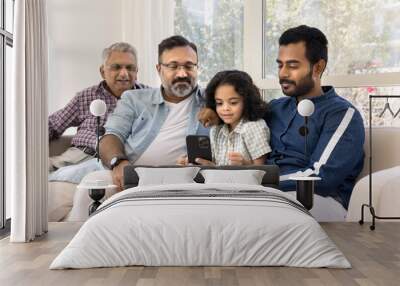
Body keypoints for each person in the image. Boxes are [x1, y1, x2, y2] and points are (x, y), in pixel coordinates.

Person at [199, 25, 365, 221]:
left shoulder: (341, 114)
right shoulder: (275, 108)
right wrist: (212, 112)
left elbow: (321, 177)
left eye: (292, 66)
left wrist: (254, 177)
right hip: (262, 192)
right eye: (280, 65)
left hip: (318, 198)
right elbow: (236, 116)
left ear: (318, 67)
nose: (283, 73)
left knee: (237, 216)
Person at [99, 35, 208, 190]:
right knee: (89, 189)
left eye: (189, 66)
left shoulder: (214, 101)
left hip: (184, 180)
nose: (182, 73)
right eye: (173, 66)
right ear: (159, 69)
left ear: (198, 69)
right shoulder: (134, 99)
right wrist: (118, 162)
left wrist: (215, 166)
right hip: (130, 176)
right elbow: (111, 136)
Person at [48, 42, 148, 172]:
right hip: (83, 157)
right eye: (116, 67)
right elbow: (52, 125)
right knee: (39, 171)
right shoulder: (86, 96)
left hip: (126, 162)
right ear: (102, 71)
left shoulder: (151, 99)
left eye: (130, 68)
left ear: (136, 72)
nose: (124, 73)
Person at [177, 70, 271, 166]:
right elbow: (215, 166)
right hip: (217, 180)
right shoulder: (216, 130)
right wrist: (195, 162)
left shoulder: (254, 127)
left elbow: (262, 170)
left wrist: (244, 164)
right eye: (219, 103)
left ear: (247, 101)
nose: (225, 108)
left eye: (233, 102)